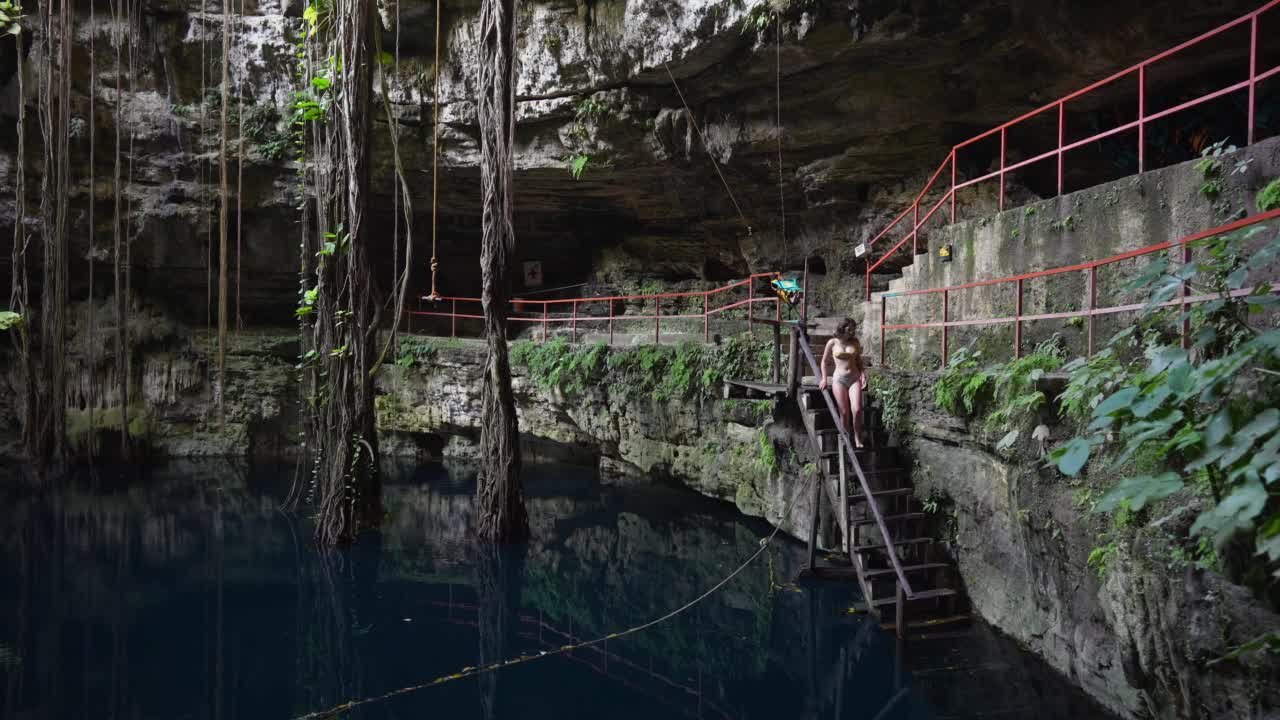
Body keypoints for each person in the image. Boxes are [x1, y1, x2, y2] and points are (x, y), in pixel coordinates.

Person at [818, 318, 867, 447]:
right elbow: (824, 362)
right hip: (839, 379)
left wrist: (863, 374)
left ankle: (858, 438)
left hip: (854, 377)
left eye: (853, 329)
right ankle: (845, 437)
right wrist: (824, 378)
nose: (852, 332)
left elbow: (858, 361)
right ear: (843, 328)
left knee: (857, 409)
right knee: (844, 412)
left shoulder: (855, 342)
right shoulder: (832, 343)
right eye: (849, 329)